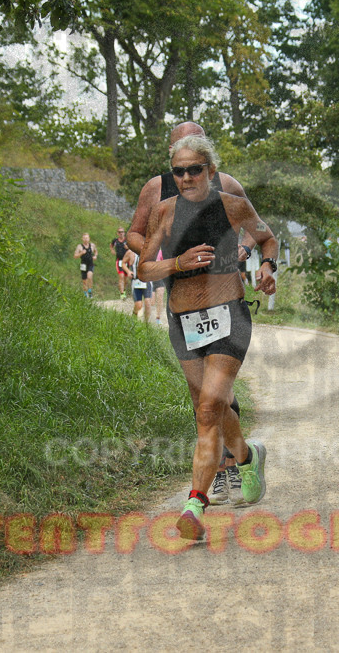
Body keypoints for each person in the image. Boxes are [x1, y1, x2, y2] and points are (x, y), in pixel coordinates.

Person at [137, 135, 278, 540]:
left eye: (194, 170)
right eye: (178, 171)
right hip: (184, 322)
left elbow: (266, 237)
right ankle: (249, 456)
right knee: (209, 406)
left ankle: (195, 504)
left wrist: (267, 267)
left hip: (229, 315)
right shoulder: (163, 212)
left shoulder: (233, 206)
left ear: (211, 172)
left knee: (208, 408)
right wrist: (175, 263)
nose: (185, 178)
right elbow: (144, 269)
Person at [128, 121, 254, 505]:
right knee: (201, 394)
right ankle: (240, 458)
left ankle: (225, 470)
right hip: (181, 298)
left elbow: (253, 225)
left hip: (224, 296)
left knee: (218, 396)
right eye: (178, 156)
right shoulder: (156, 189)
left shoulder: (227, 185)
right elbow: (135, 235)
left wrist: (245, 251)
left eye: (194, 153)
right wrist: (165, 253)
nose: (186, 173)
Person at [121, 248, 153, 322]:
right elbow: (123, 263)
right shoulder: (130, 252)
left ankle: (146, 324)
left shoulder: (149, 251)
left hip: (147, 281)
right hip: (136, 281)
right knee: (138, 305)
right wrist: (128, 271)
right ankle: (133, 319)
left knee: (148, 303)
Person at [73, 233, 97, 297]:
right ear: (82, 239)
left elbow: (95, 251)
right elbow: (75, 256)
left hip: (90, 264)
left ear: (89, 238)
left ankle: (90, 291)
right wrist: (81, 253)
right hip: (83, 265)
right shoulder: (79, 246)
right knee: (84, 281)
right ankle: (85, 294)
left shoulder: (92, 245)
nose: (86, 239)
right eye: (84, 238)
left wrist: (95, 256)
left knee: (89, 277)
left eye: (87, 238)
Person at [110, 227, 130, 300]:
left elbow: (131, 248)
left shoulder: (127, 240)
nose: (121, 233)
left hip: (126, 261)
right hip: (119, 260)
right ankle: (122, 293)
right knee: (121, 276)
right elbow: (111, 245)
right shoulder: (115, 241)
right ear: (117, 233)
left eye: (122, 232)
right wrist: (112, 250)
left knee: (125, 278)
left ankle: (124, 291)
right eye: (119, 232)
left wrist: (127, 247)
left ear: (124, 233)